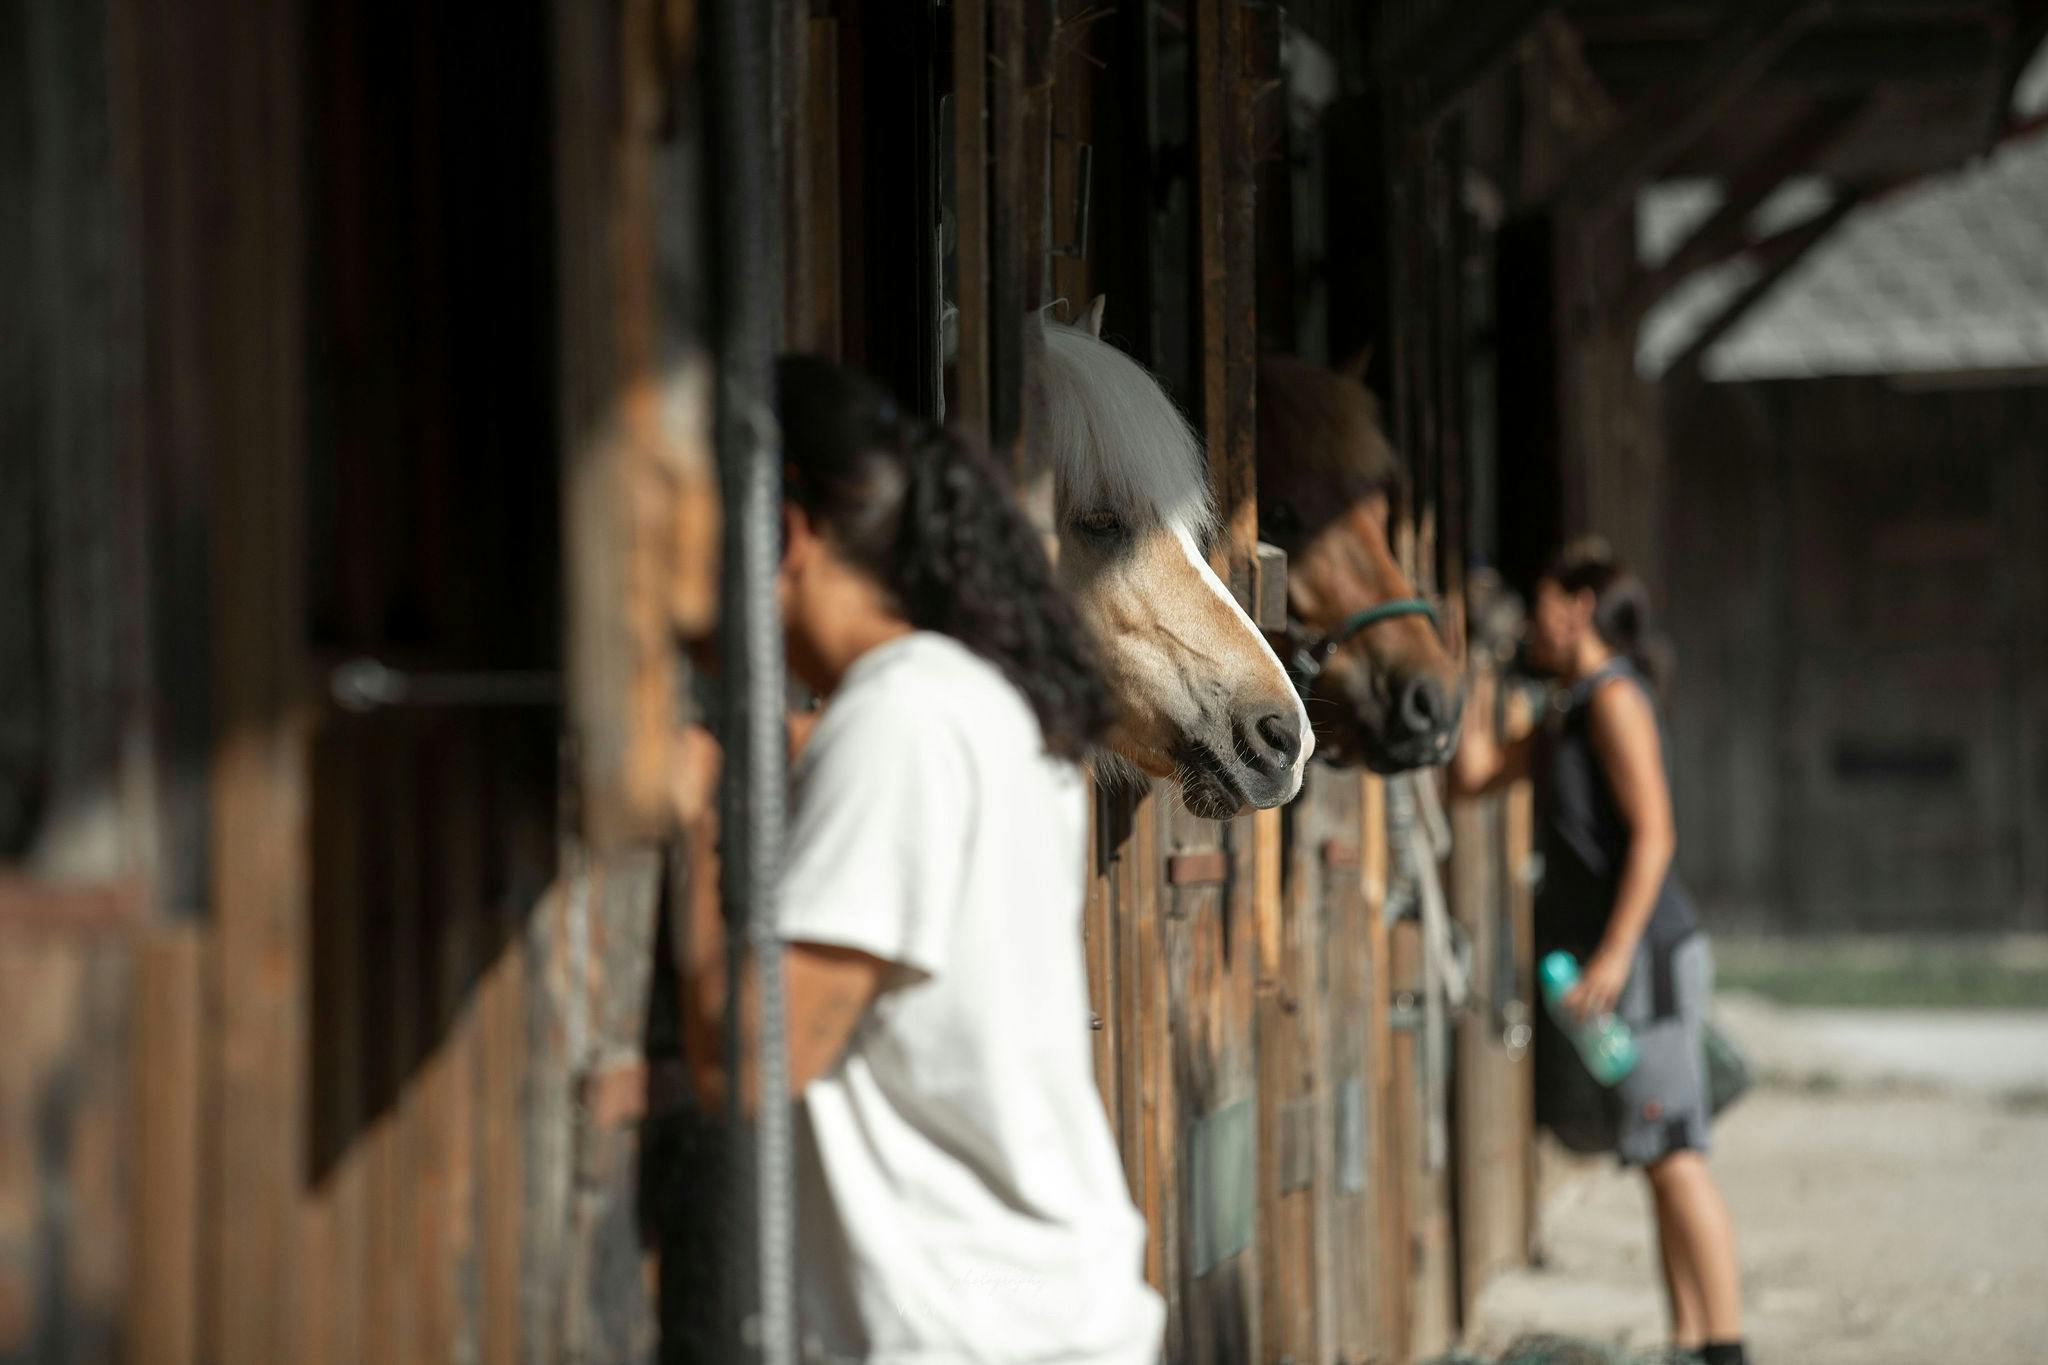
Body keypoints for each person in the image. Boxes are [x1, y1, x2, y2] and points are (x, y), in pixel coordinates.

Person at [694, 355, 1165, 1364]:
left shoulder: (900, 721)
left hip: (971, 1332)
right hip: (1032, 1319)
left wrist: (687, 801)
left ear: (778, 536)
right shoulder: (966, 704)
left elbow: (743, 1057)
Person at [1450, 541, 1747, 1365]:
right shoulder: (1563, 711)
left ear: (1578, 607)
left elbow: (1655, 832)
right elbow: (1470, 776)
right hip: (1623, 957)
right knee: (1657, 1157)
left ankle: (1725, 1348)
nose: (1532, 622)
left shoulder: (1615, 698)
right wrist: (1475, 669)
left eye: (1540, 603)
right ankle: (1691, 1341)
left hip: (1647, 953)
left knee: (1677, 1151)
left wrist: (1613, 958)